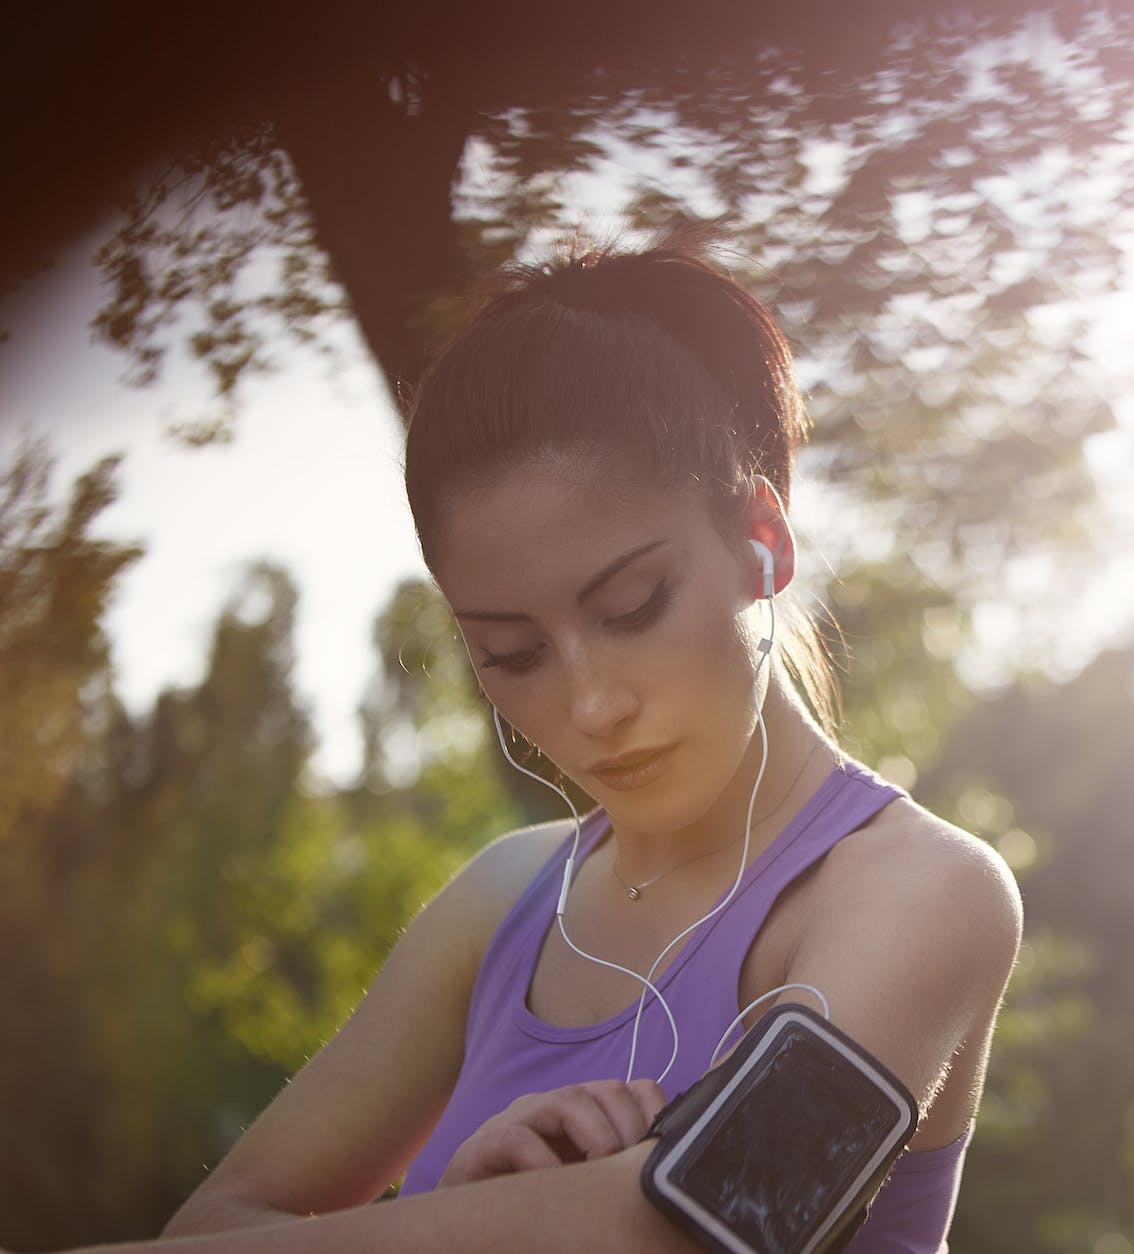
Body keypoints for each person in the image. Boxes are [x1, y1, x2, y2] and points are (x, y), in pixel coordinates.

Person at [42, 231, 1021, 1254]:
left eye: (634, 606)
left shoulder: (921, 890)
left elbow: (721, 1216)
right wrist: (461, 1202)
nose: (589, 707)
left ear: (761, 542)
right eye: (512, 654)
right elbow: (215, 1225)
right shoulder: (501, 899)